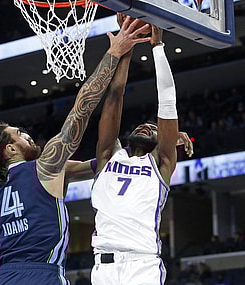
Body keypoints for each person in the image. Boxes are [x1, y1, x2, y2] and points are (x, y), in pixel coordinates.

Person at [0, 17, 152, 283]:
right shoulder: (46, 165)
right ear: (10, 148)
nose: (27, 135)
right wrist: (114, 53)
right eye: (20, 134)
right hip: (43, 274)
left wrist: (4, 268)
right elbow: (82, 109)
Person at [90, 17, 186, 285]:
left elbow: (167, 101)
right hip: (103, 266)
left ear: (161, 141)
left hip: (141, 265)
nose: (146, 127)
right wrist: (125, 47)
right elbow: (115, 94)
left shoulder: (161, 163)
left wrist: (158, 48)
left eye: (152, 128)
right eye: (142, 125)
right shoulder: (108, 155)